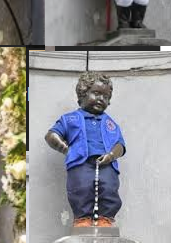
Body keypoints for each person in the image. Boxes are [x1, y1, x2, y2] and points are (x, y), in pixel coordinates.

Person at [45, 72, 126, 228]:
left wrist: (111, 155)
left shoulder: (110, 123)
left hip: (106, 163)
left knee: (109, 188)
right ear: (82, 94)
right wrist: (66, 149)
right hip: (80, 162)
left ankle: (105, 218)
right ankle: (82, 218)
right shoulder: (70, 119)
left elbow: (120, 145)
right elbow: (51, 135)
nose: (101, 99)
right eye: (96, 93)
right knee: (80, 187)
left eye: (106, 96)